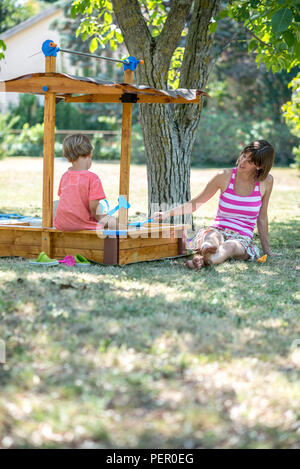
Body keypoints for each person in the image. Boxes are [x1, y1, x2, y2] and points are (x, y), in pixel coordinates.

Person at [153, 140, 277, 269]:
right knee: (212, 238)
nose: (242, 161)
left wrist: (267, 251)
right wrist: (166, 213)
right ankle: (206, 253)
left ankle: (203, 259)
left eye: (249, 161)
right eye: (244, 155)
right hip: (218, 229)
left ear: (260, 166)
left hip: (242, 238)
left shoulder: (266, 181)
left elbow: (262, 217)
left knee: (230, 246)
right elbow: (196, 203)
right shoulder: (223, 176)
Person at [54, 134, 118, 231]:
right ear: (90, 153)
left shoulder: (65, 176)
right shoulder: (92, 178)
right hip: (81, 225)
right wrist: (102, 219)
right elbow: (93, 207)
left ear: (68, 158)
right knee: (115, 222)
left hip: (61, 224)